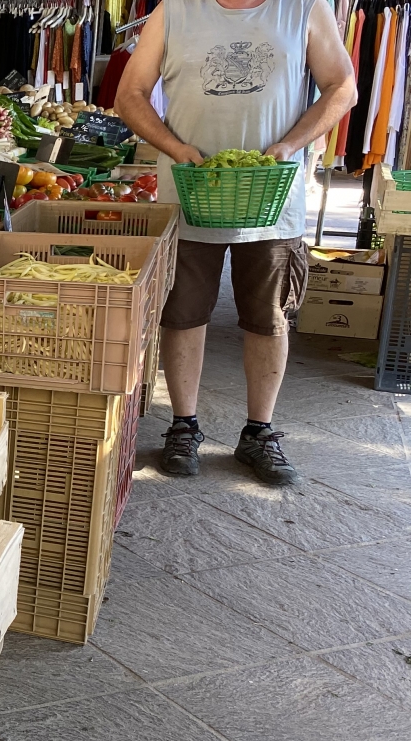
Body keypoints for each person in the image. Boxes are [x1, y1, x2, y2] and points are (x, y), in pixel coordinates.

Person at [115, 0, 356, 484]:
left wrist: (290, 145)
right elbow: (130, 94)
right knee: (182, 313)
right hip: (190, 195)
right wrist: (177, 149)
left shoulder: (306, 8)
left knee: (269, 318)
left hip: (271, 198)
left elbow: (342, 87)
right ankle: (183, 426)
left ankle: (259, 433)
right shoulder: (174, 10)